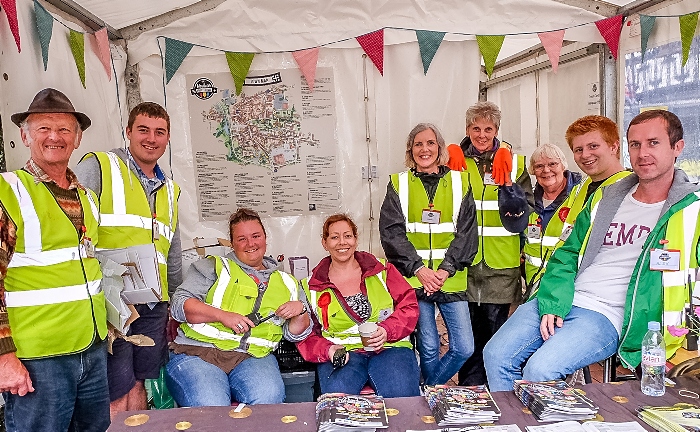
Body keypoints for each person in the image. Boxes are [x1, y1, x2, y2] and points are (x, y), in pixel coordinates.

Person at [484, 110, 700, 391]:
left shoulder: (691, 209)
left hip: (611, 314)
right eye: (635, 144)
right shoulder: (606, 198)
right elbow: (567, 253)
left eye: (653, 143)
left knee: (540, 370)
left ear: (677, 147)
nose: (643, 153)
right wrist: (553, 302)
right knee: (495, 355)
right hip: (565, 296)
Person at [0, 88, 109, 431]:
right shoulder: (10, 191)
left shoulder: (87, 198)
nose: (54, 137)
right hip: (38, 357)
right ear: (25, 135)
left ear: (77, 139)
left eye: (64, 130)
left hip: (91, 347)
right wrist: (3, 356)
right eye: (44, 128)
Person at [75, 102, 183, 417]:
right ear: (128, 133)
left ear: (168, 138)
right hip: (114, 302)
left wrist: (172, 302)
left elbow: (172, 251)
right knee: (116, 386)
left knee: (139, 381)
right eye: (143, 130)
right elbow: (74, 227)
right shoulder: (100, 166)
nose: (151, 138)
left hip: (153, 302)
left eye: (159, 132)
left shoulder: (171, 190)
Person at [165, 208, 311, 406]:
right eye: (241, 239)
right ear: (232, 243)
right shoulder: (213, 267)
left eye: (256, 236)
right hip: (199, 352)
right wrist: (222, 316)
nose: (250, 243)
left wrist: (300, 311)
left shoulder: (288, 282)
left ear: (265, 238)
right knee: (211, 404)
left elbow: (295, 334)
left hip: (253, 357)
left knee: (268, 398)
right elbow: (179, 305)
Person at [379, 123, 478, 385]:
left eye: (430, 143)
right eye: (418, 144)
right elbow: (392, 234)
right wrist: (420, 270)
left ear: (440, 147)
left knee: (464, 347)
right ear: (411, 150)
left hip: (450, 277)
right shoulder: (399, 184)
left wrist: (444, 270)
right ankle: (432, 401)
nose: (425, 149)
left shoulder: (460, 181)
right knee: (430, 347)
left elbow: (467, 234)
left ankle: (428, 388)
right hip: (414, 279)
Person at [445, 101, 531, 386]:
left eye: (488, 129)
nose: (481, 135)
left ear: (497, 130)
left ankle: (496, 394)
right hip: (464, 267)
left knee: (496, 340)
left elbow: (528, 213)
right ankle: (470, 392)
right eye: (475, 128)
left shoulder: (514, 163)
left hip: (500, 267)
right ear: (467, 129)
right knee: (466, 341)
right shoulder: (451, 161)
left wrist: (510, 192)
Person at [297, 214, 420, 397]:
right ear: (325, 243)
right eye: (334, 237)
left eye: (347, 236)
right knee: (338, 410)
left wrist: (387, 330)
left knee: (402, 405)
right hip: (342, 357)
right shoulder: (311, 286)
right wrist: (328, 350)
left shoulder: (382, 270)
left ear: (355, 239)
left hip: (391, 349)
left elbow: (409, 306)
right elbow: (306, 335)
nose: (342, 242)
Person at [523, 116, 630, 297]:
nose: (585, 155)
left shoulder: (629, 191)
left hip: (597, 297)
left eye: (593, 146)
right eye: (578, 149)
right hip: (554, 288)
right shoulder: (581, 189)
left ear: (614, 146)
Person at [522, 144, 582, 293]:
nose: (546, 170)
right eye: (539, 166)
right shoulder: (528, 201)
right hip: (533, 288)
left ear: (563, 166)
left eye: (552, 164)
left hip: (567, 289)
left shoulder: (581, 197)